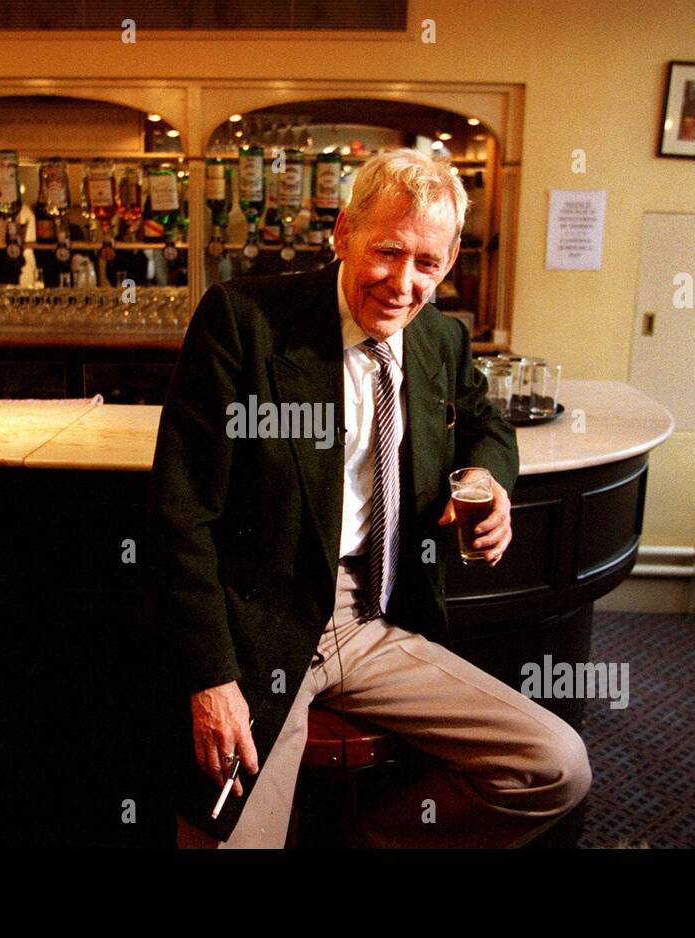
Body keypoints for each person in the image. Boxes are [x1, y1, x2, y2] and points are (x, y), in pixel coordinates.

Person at [147, 147, 591, 848]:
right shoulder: (244, 320)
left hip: (374, 621)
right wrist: (211, 677)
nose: (403, 283)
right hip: (259, 627)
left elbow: (488, 425)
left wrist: (483, 480)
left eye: (428, 263)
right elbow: (181, 514)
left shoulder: (441, 338)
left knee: (553, 766)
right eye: (388, 251)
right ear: (342, 231)